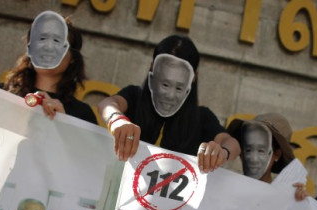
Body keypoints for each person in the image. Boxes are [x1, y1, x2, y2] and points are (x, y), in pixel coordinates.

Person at [98, 34, 240, 172]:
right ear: (153, 68)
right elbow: (108, 104)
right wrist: (117, 120)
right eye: (165, 84)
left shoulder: (202, 117)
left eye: (179, 87)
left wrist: (221, 152)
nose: (170, 95)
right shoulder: (134, 96)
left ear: (194, 78)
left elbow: (231, 143)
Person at [2, 11, 97, 125]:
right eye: (41, 39)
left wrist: (63, 123)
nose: (47, 47)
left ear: (73, 57)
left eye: (57, 41)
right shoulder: (3, 93)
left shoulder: (82, 114)